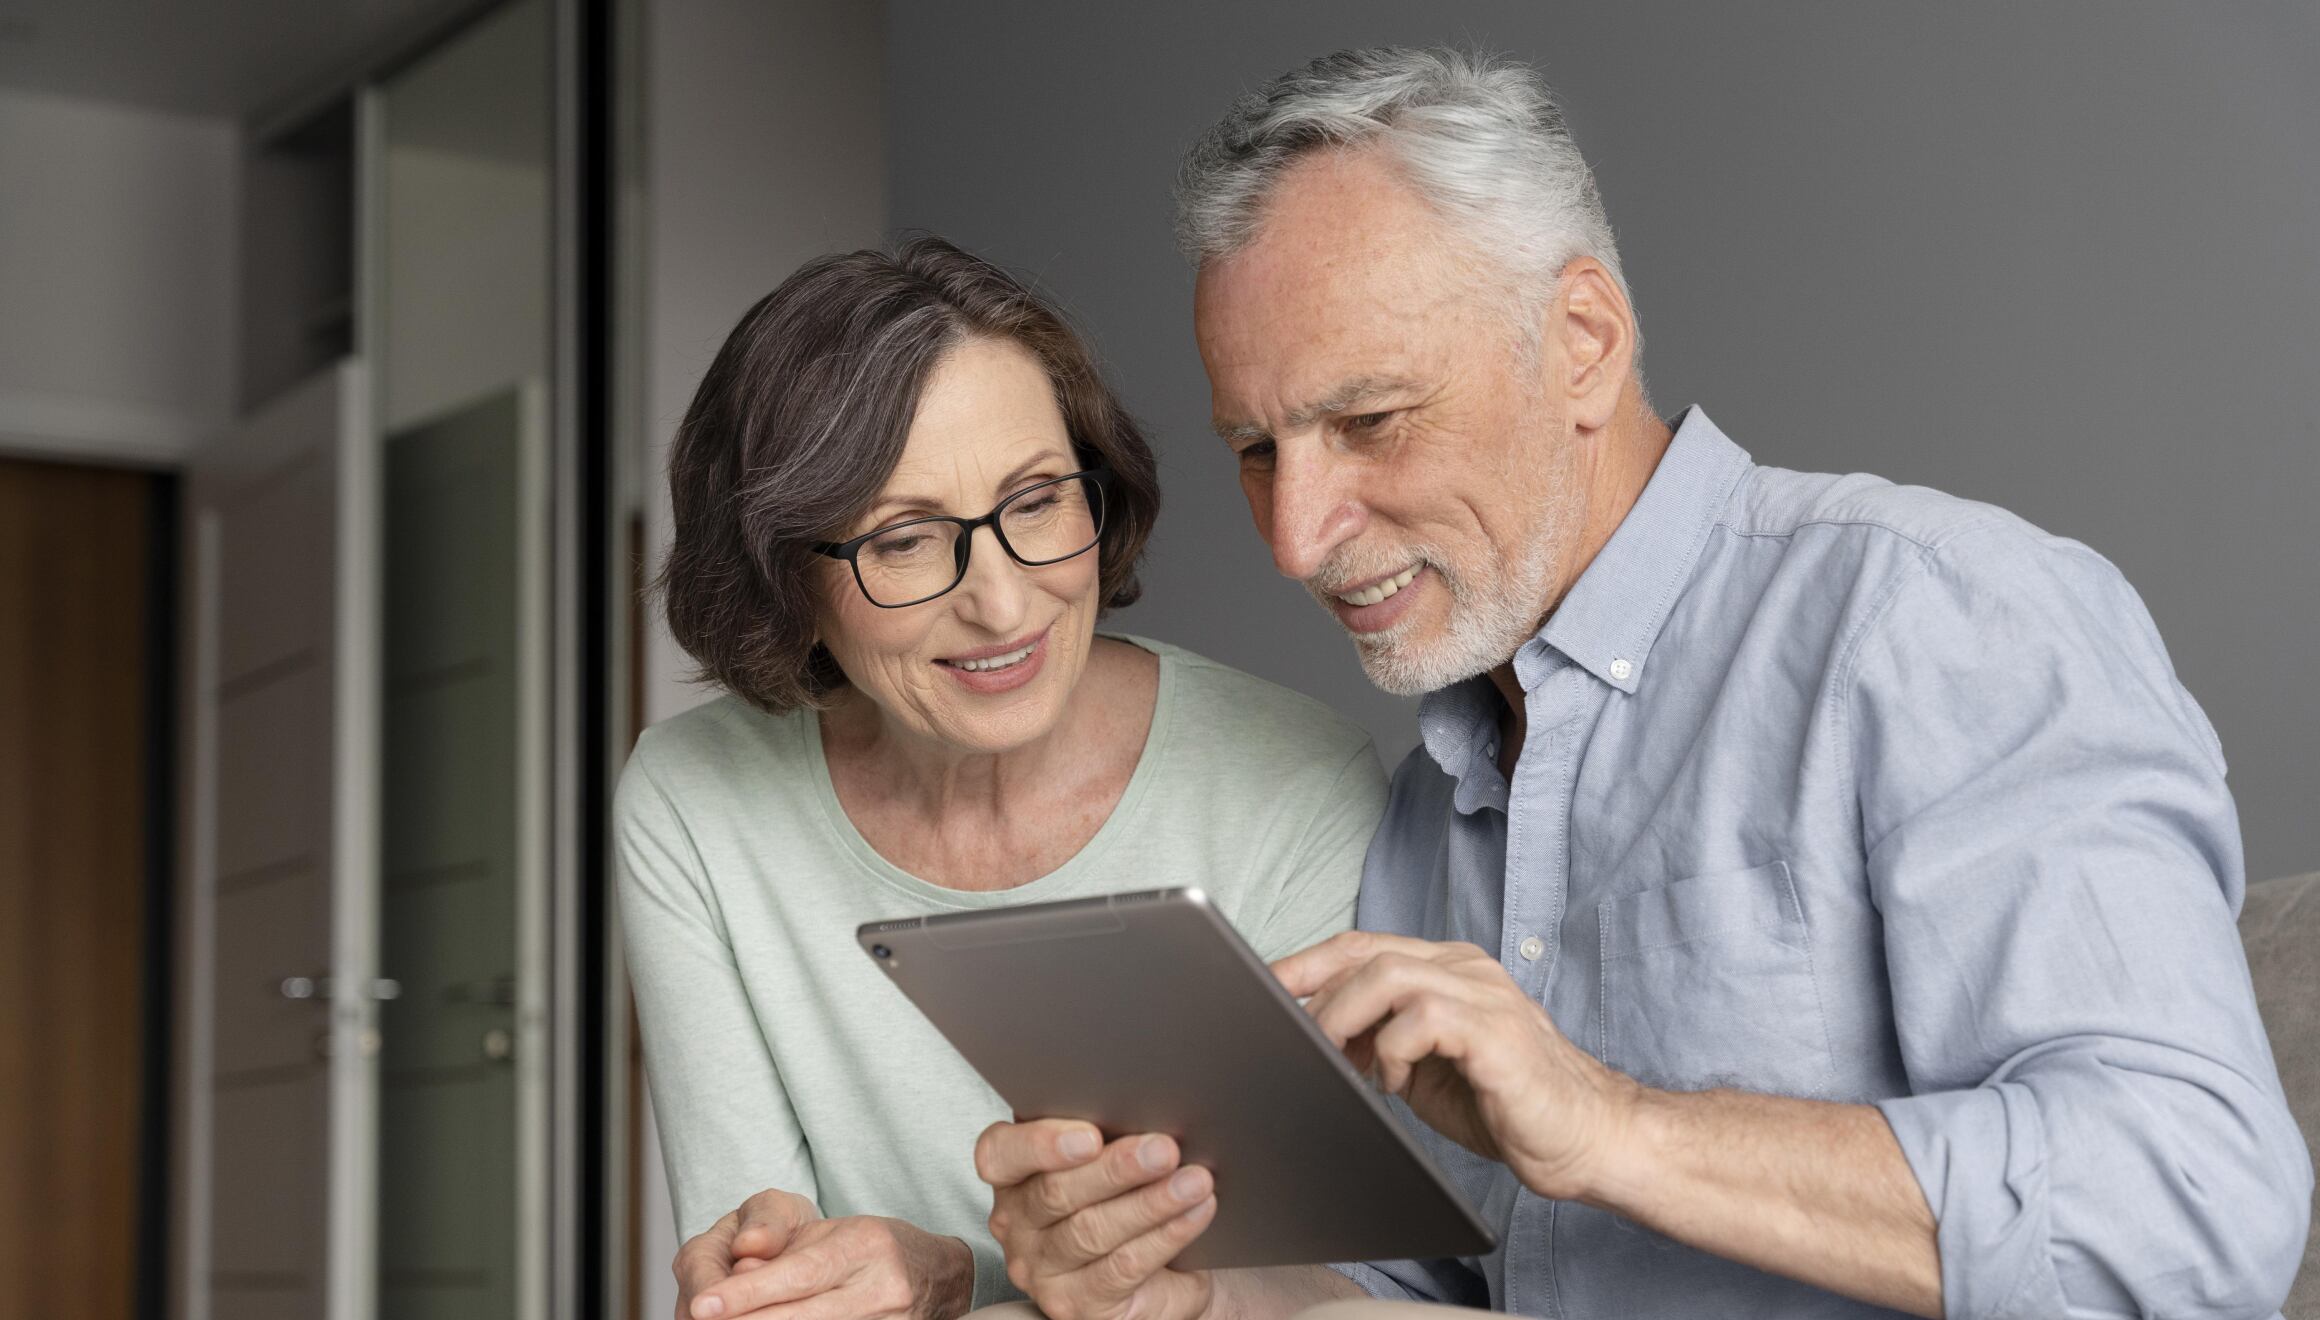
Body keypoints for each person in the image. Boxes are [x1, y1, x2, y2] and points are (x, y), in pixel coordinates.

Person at [970, 48, 2313, 1320]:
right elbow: (1430, 1295)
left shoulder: (1935, 619)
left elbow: (2196, 1209)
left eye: (1369, 420)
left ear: (1586, 344)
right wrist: (1186, 1290)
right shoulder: (1428, 811)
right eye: (1259, 449)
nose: (1295, 535)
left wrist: (1612, 1125)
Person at [616, 236, 1387, 1320]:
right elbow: (758, 1267)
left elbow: (1326, 1290)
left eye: (1034, 502)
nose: (1002, 605)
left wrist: (948, 1282)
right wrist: (791, 1272)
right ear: (783, 571)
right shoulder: (693, 801)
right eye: (904, 540)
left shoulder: (1291, 785)